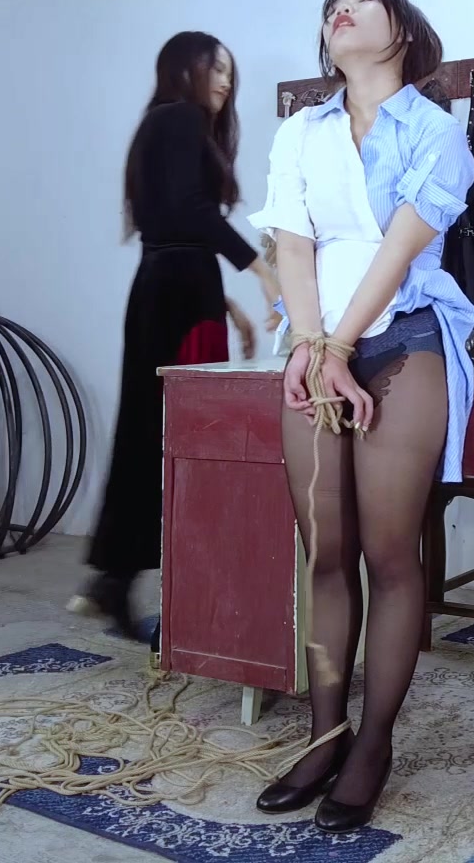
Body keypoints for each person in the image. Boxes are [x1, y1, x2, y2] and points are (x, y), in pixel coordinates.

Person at [247, 0, 474, 831]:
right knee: (326, 551)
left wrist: (342, 346)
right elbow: (292, 245)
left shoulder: (436, 131)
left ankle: (374, 743)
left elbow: (401, 246)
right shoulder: (300, 132)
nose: (340, 8)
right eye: (332, 4)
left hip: (403, 341)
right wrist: (310, 347)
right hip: (316, 345)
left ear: (404, 32)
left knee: (388, 553)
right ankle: (325, 736)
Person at [75, 31, 279, 644]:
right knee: (190, 441)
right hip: (180, 296)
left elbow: (173, 229)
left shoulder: (158, 124)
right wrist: (264, 273)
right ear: (182, 69)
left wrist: (228, 307)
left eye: (229, 72)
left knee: (150, 431)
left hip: (166, 289)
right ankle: (185, 596)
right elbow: (193, 215)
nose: (224, 80)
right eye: (214, 67)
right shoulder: (182, 119)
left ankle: (115, 576)